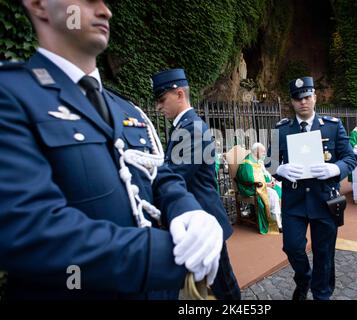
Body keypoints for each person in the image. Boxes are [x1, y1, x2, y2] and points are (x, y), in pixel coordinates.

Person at [0, 0, 223, 299]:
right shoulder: (11, 94)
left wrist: (188, 211)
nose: (106, 10)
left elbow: (159, 173)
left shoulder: (125, 108)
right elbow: (28, 229)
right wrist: (168, 256)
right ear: (39, 5)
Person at [151, 68, 241, 300]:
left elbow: (174, 174)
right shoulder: (186, 126)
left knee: (224, 287)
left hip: (205, 217)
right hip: (197, 216)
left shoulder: (191, 128)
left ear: (179, 94)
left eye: (162, 100)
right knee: (208, 284)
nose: (158, 107)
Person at [269, 76, 357, 300]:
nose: (303, 102)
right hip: (294, 202)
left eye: (307, 97)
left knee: (324, 254)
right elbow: (269, 163)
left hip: (325, 200)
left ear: (315, 98)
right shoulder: (282, 129)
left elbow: (350, 158)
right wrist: (280, 170)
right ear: (292, 102)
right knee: (292, 247)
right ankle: (303, 278)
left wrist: (335, 169)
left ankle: (321, 294)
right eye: (298, 98)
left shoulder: (332, 126)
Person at [236, 143, 282, 234]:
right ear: (256, 152)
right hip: (250, 187)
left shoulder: (258, 160)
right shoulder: (247, 163)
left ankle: (282, 217)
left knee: (280, 186)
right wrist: (266, 185)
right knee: (273, 195)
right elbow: (249, 179)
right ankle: (276, 224)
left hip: (262, 184)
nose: (265, 153)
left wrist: (272, 180)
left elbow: (265, 174)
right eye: (263, 151)